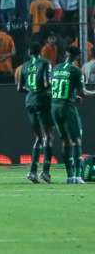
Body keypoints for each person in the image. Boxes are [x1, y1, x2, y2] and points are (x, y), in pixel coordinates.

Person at [50, 46, 94, 183]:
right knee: (76, 141)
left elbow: (57, 88)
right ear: (77, 57)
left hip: (54, 107)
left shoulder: (56, 68)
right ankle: (78, 175)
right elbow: (84, 92)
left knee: (65, 141)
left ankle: (69, 176)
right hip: (67, 108)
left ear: (66, 54)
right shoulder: (76, 70)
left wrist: (73, 98)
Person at [17, 42, 53, 183]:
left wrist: (31, 91)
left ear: (29, 52)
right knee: (48, 136)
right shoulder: (45, 63)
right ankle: (45, 172)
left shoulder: (24, 66)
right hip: (42, 101)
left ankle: (32, 172)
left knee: (38, 137)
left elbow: (19, 88)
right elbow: (46, 83)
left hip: (29, 102)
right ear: (40, 51)